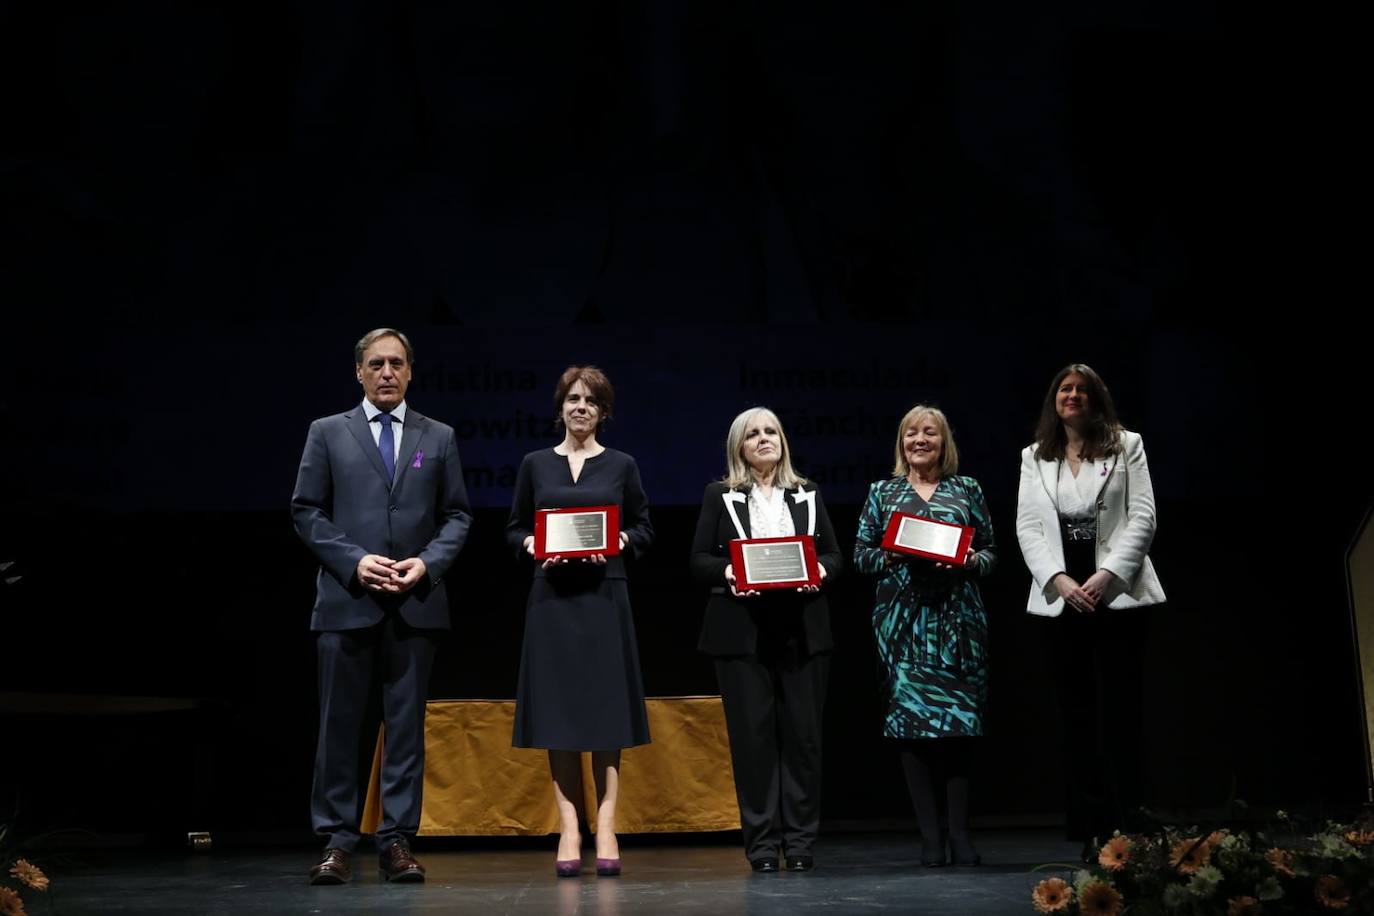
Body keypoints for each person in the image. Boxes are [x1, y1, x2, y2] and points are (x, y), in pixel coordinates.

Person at [291, 328, 473, 885]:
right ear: (360, 373)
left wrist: (427, 564)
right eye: (376, 364)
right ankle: (337, 843)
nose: (387, 372)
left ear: (411, 371)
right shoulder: (328, 432)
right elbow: (306, 511)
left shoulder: (437, 436)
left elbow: (458, 516)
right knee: (339, 727)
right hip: (348, 601)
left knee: (406, 730)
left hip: (414, 603)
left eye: (397, 363)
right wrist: (354, 561)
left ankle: (397, 841)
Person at [505, 366, 653, 877]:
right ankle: (570, 825)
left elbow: (643, 528)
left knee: (605, 715)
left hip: (604, 599)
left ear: (604, 412)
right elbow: (515, 527)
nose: (581, 407)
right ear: (560, 408)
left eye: (591, 400)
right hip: (551, 601)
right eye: (572, 399)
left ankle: (606, 824)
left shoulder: (622, 465)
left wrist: (620, 542)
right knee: (559, 718)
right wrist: (529, 544)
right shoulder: (534, 465)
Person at [1015, 363, 1164, 853]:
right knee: (1077, 719)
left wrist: (1104, 578)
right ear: (1053, 401)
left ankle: (1133, 825)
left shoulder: (1128, 445)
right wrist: (1059, 580)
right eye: (1064, 389)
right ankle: (1091, 829)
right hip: (1063, 596)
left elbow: (1142, 517)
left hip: (1116, 592)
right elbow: (1028, 529)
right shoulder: (1034, 456)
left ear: (1097, 399)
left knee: (1123, 713)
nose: (1072, 395)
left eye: (1081, 389)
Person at [690, 407, 842, 873]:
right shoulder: (721, 495)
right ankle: (761, 848)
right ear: (739, 446)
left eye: (770, 431)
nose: (763, 439)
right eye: (752, 434)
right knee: (752, 743)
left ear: (783, 440)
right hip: (742, 634)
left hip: (802, 629)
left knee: (803, 741)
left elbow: (834, 555)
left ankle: (799, 844)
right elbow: (698, 560)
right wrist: (731, 571)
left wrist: (819, 569)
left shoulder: (807, 493)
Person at [853, 405, 996, 867]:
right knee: (911, 729)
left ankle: (960, 834)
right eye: (911, 433)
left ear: (943, 441)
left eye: (929, 433)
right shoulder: (883, 491)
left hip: (958, 622)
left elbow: (991, 551)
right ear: (901, 442)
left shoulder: (966, 488)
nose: (920, 440)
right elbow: (861, 555)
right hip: (903, 625)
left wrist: (970, 560)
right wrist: (894, 555)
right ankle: (930, 838)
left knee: (959, 729)